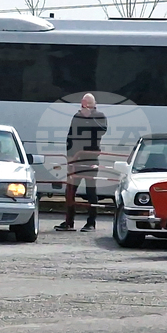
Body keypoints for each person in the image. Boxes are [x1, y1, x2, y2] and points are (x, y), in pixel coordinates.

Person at [55, 93, 108, 233]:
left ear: (93, 104)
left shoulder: (100, 116)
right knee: (70, 190)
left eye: (86, 104)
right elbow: (70, 136)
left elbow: (102, 131)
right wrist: (69, 156)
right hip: (75, 160)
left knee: (91, 190)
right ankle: (69, 221)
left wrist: (90, 116)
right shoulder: (76, 116)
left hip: (90, 159)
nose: (83, 106)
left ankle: (91, 222)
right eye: (82, 103)